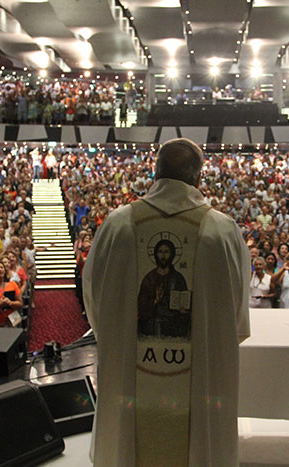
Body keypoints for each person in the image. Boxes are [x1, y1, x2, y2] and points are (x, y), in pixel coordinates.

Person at [83, 138, 250, 466]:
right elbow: (236, 313)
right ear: (198, 178)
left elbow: (94, 298)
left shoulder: (117, 225)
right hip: (198, 373)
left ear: (155, 173)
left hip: (132, 364)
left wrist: (121, 336)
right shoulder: (222, 230)